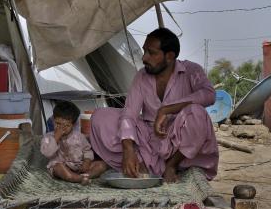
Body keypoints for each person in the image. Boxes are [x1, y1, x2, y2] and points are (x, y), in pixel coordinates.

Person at [90, 28, 218, 183]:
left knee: (197, 113)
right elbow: (129, 114)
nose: (144, 58)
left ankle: (171, 166)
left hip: (179, 143)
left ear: (169, 56)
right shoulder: (142, 76)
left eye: (151, 53)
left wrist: (167, 109)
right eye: (145, 51)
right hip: (149, 141)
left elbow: (209, 95)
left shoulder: (191, 70)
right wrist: (128, 149)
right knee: (100, 117)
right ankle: (141, 164)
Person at [40, 101, 108, 184]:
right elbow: (47, 153)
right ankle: (75, 178)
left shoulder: (79, 136)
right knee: (58, 167)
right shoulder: (48, 137)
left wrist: (86, 162)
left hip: (79, 166)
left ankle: (86, 175)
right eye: (58, 124)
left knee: (101, 165)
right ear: (53, 120)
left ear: (73, 124)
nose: (61, 128)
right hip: (62, 166)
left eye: (66, 125)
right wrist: (56, 137)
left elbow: (87, 150)